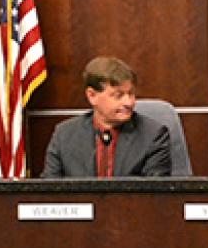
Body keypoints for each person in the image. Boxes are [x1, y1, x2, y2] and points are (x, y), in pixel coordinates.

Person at [41, 56, 171, 177]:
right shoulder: (64, 135)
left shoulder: (153, 136)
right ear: (92, 96)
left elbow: (154, 197)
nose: (129, 102)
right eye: (118, 95)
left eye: (131, 94)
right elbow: (49, 195)